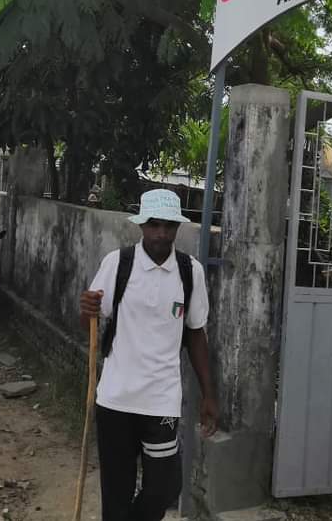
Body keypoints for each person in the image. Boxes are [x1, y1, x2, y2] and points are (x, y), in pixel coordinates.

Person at [79, 189, 218, 521]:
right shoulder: (118, 263)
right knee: (117, 493)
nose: (161, 233)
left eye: (169, 226)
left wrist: (209, 395)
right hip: (115, 400)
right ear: (141, 225)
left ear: (177, 227)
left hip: (161, 402)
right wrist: (87, 311)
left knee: (164, 489)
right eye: (154, 225)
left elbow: (196, 333)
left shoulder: (190, 271)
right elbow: (92, 323)